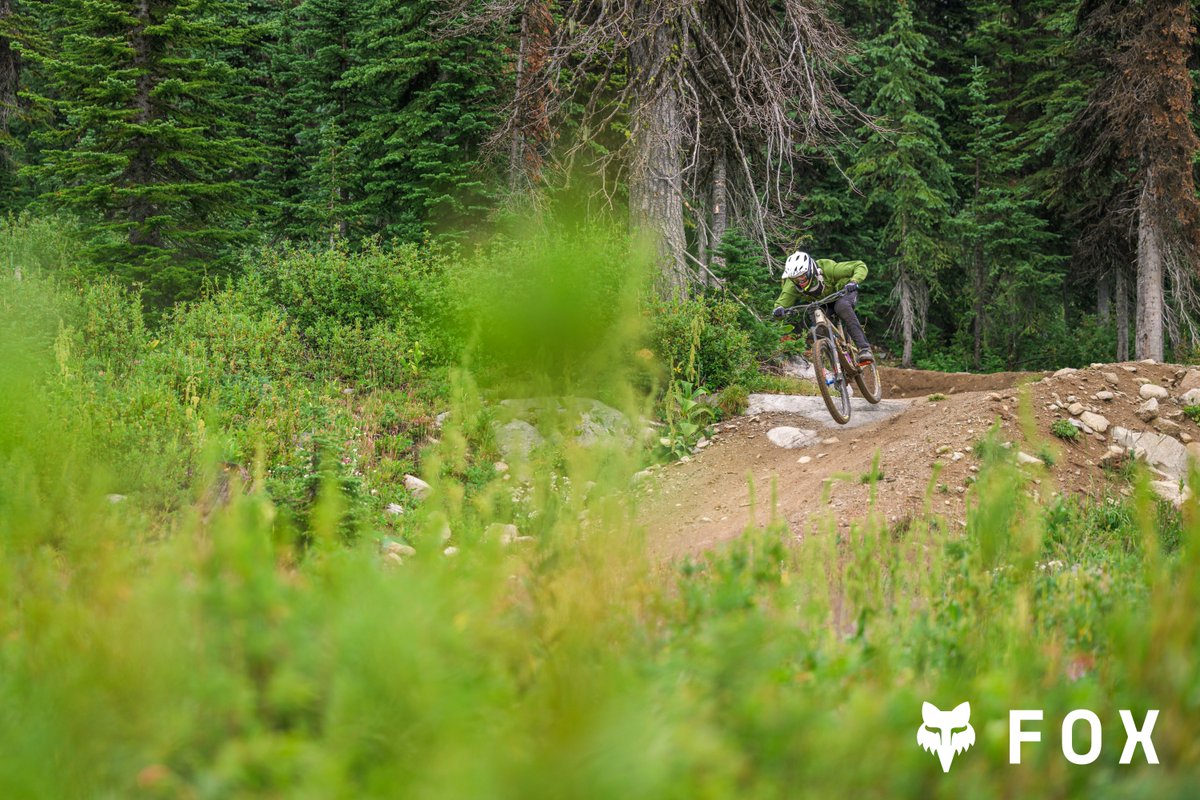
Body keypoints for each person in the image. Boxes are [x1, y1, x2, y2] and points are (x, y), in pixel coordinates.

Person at [771, 251, 873, 365]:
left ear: (810, 271)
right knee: (818, 325)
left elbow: (859, 265)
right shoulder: (792, 284)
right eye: (796, 279)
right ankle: (838, 365)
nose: (800, 281)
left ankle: (864, 349)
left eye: (802, 276)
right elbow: (782, 301)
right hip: (821, 303)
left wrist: (854, 281)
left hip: (842, 294)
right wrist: (779, 310)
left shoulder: (827, 268)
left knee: (842, 307)